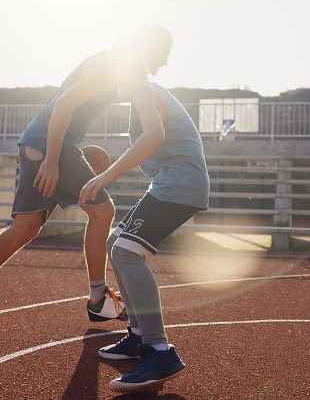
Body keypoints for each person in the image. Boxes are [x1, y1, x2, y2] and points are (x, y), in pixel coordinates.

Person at [0, 25, 173, 335]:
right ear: (150, 47)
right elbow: (64, 104)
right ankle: (98, 297)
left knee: (25, 227)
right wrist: (52, 159)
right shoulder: (112, 67)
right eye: (164, 53)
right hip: (50, 145)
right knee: (103, 212)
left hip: (43, 142)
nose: (164, 62)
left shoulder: (117, 65)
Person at [79, 39, 210, 392]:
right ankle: (138, 335)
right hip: (171, 184)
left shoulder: (142, 91)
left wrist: (108, 175)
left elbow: (155, 135)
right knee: (115, 243)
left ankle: (158, 348)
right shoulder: (145, 92)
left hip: (179, 186)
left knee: (126, 251)